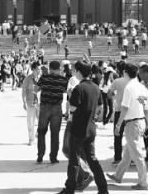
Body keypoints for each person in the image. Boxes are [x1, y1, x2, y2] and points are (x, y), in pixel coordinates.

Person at [56, 60, 108, 194]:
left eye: (75, 70)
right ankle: (103, 189)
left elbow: (72, 108)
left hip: (78, 128)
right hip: (91, 128)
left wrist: (74, 113)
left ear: (79, 72)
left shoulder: (79, 88)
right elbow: (100, 108)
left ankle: (69, 189)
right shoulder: (96, 87)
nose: (74, 72)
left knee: (74, 160)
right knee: (92, 160)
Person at [108, 63, 148, 189]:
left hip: (132, 122)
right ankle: (118, 175)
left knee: (136, 154)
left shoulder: (129, 87)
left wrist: (118, 124)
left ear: (125, 72)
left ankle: (143, 182)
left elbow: (125, 108)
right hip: (140, 120)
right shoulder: (141, 86)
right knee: (128, 151)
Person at [36, 60, 68, 163]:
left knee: (41, 132)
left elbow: (37, 89)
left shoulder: (44, 77)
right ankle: (53, 157)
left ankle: (40, 155)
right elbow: (64, 90)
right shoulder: (63, 79)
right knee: (55, 133)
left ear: (49, 68)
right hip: (56, 108)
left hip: (44, 107)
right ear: (59, 69)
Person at [107, 61, 127, 164]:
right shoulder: (134, 81)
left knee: (117, 135)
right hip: (132, 112)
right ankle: (131, 158)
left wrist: (116, 96)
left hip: (119, 110)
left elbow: (109, 94)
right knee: (131, 137)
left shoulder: (117, 81)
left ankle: (118, 157)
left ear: (118, 70)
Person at [22, 61, 40, 145]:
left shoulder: (41, 78)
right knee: (31, 122)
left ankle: (38, 133)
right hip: (30, 103)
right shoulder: (28, 79)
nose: (39, 71)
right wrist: (24, 102)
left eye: (40, 69)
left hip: (40, 103)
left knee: (43, 122)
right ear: (33, 69)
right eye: (37, 69)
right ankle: (31, 139)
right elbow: (23, 91)